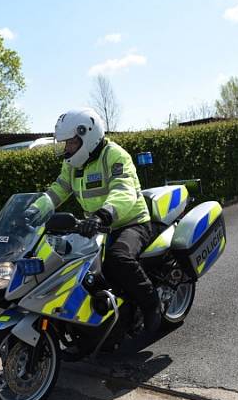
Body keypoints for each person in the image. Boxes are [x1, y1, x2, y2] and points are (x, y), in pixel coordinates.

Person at [34, 108, 161, 334]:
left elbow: (124, 191)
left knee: (117, 258)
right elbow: (59, 189)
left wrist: (102, 215)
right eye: (65, 143)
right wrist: (33, 211)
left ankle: (151, 305)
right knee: (77, 268)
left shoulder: (115, 155)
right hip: (96, 226)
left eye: (71, 143)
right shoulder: (73, 164)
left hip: (131, 222)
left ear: (87, 136)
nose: (67, 148)